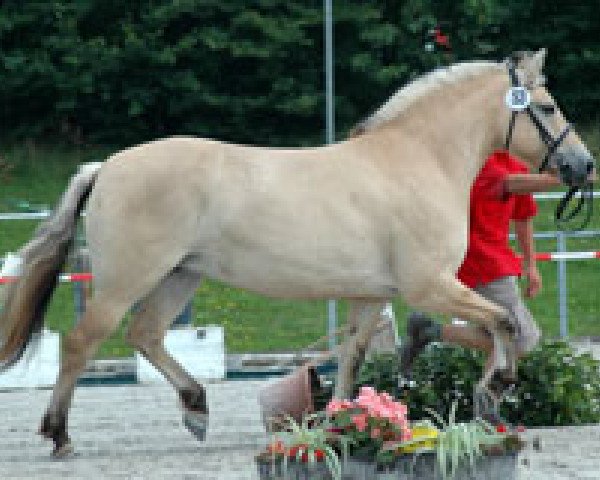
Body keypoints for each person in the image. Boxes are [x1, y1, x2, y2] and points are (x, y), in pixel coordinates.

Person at [398, 149, 561, 420]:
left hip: (497, 261)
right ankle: (485, 407)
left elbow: (523, 216)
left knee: (504, 338)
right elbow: (508, 184)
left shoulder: (514, 163)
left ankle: (431, 332)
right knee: (521, 338)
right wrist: (561, 178)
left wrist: (531, 264)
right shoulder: (479, 162)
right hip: (480, 262)